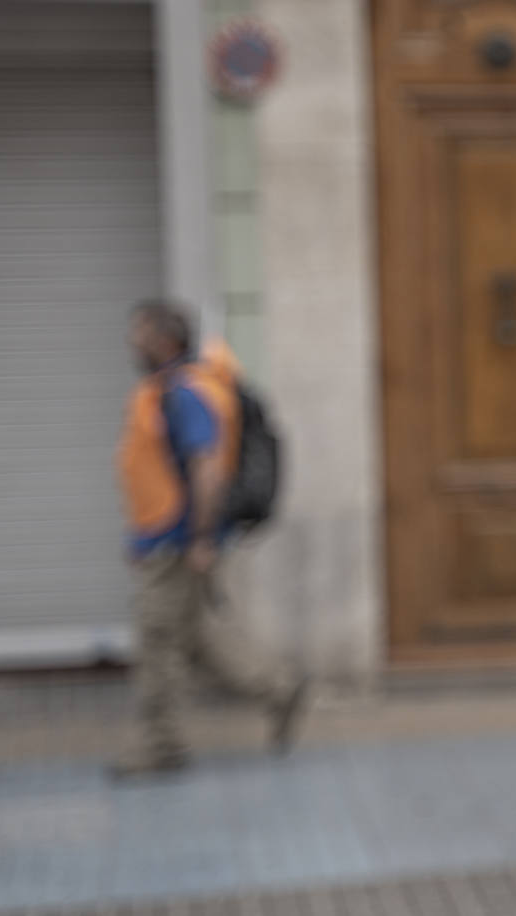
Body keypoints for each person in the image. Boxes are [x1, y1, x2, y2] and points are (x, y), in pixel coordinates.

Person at [111, 299, 306, 778]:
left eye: (140, 333)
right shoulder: (169, 391)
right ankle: (278, 688)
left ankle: (161, 745)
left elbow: (208, 468)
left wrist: (199, 539)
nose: (132, 342)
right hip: (168, 540)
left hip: (178, 544)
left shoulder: (185, 394)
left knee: (158, 641)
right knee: (199, 642)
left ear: (165, 340)